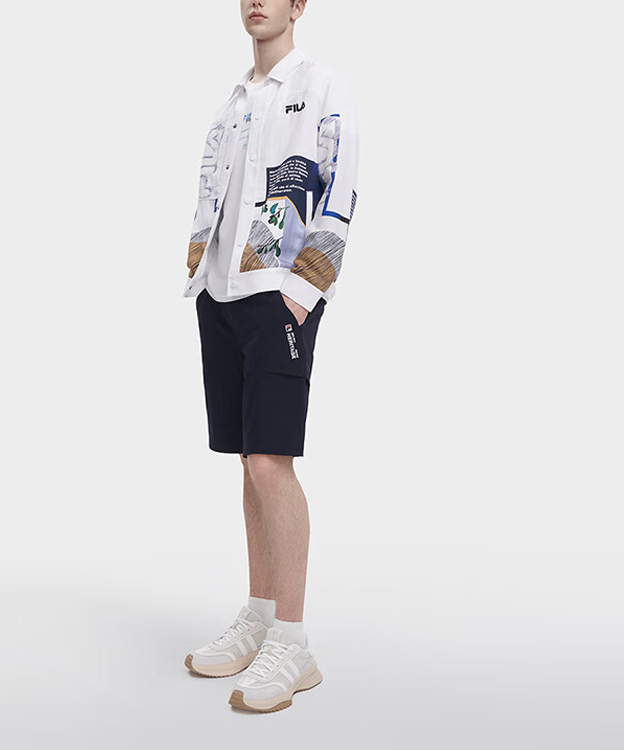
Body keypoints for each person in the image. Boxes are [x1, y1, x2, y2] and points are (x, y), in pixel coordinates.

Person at [182, 0, 359, 713]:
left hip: (278, 293)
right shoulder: (232, 102)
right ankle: (258, 618)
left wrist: (302, 289)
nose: (256, 0)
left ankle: (293, 641)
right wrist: (200, 275)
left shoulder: (321, 85)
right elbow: (211, 191)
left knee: (270, 463)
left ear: (298, 6)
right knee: (247, 462)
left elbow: (340, 186)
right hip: (220, 294)